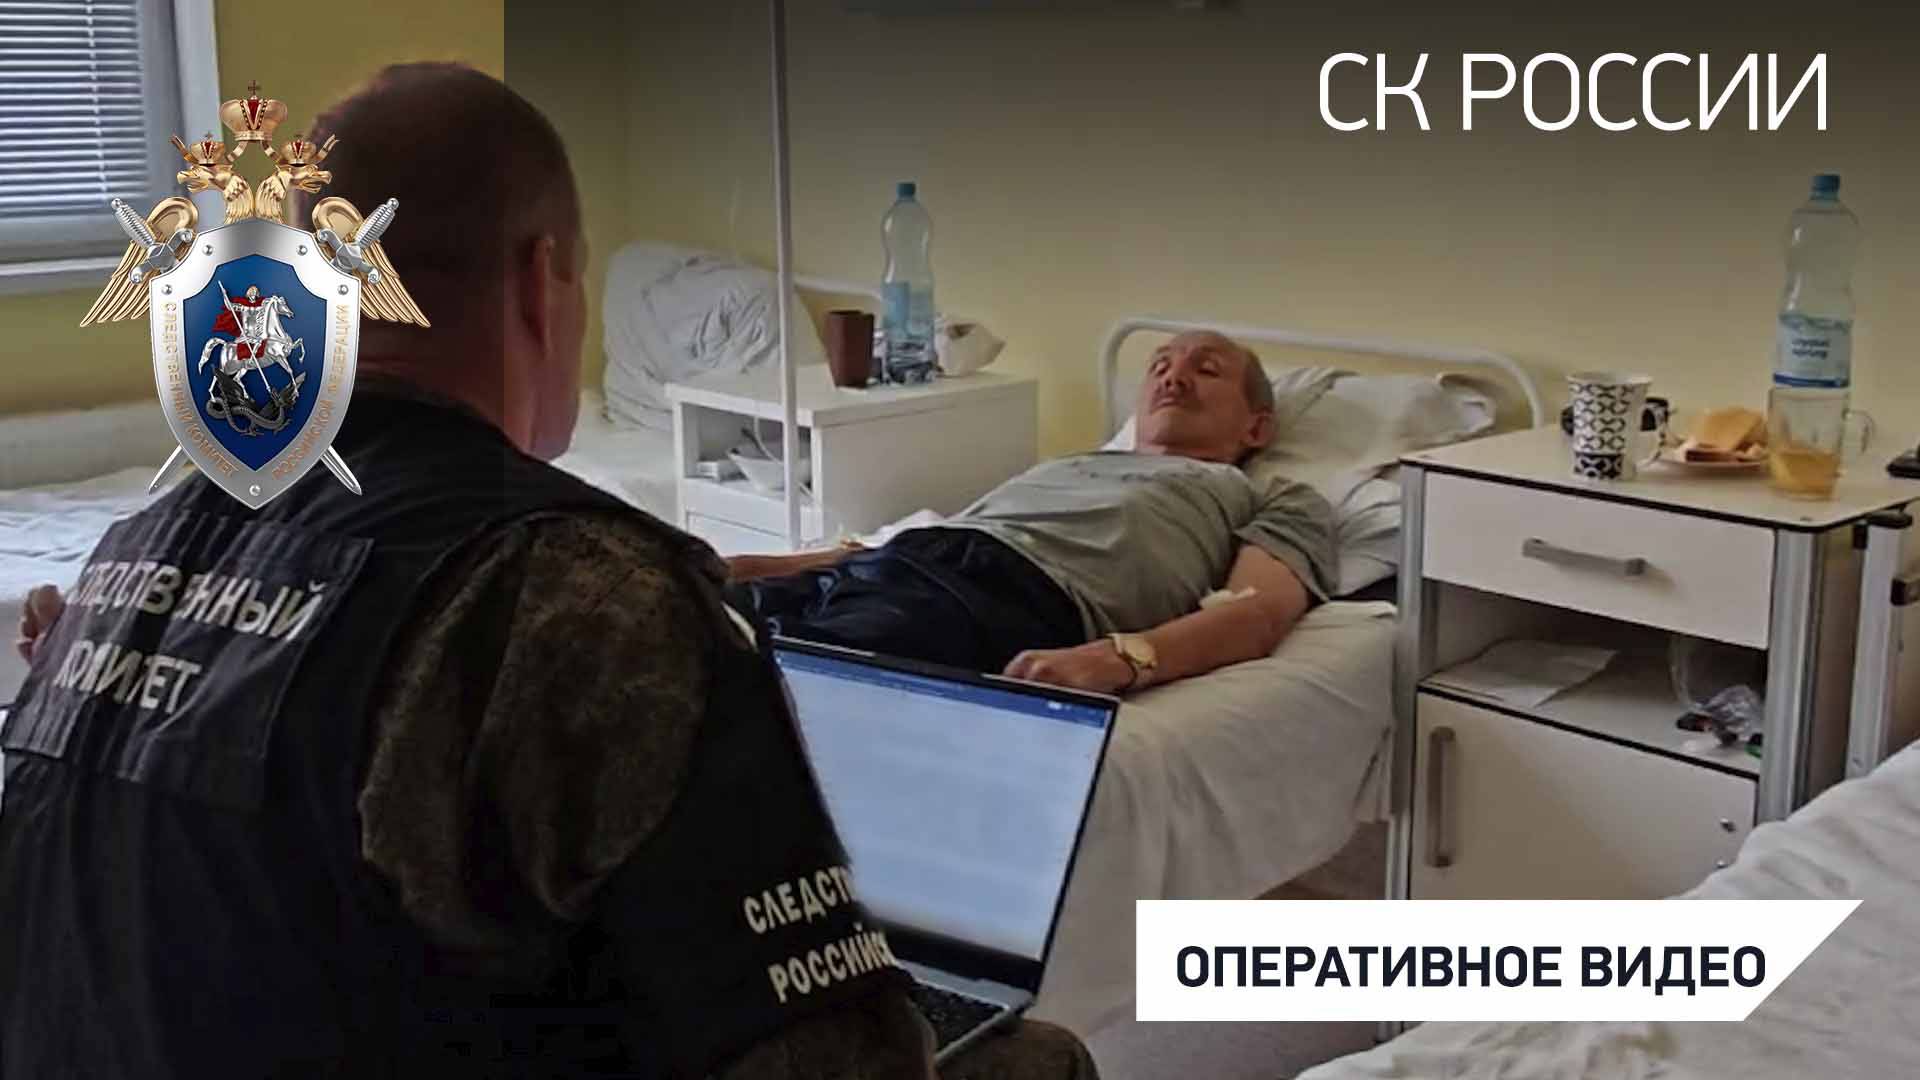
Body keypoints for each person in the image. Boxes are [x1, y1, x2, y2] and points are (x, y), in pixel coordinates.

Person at [2, 63, 1094, 1080]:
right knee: (1038, 1059)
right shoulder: (579, 590)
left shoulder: (132, 552)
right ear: (541, 282)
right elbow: (830, 1056)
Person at [730, 330, 1337, 694]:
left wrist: (1121, 658)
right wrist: (775, 566)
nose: (1174, 379)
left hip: (1010, 593)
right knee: (694, 627)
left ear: (1258, 428)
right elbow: (957, 533)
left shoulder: (1270, 496)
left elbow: (1256, 614)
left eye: (1205, 370)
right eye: (1160, 366)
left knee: (772, 690)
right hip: (902, 563)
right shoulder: (1072, 464)